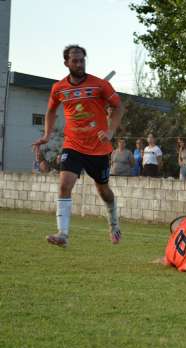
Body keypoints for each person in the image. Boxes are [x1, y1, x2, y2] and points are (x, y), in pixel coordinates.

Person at [32, 44, 122, 247]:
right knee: (64, 185)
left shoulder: (99, 85)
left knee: (103, 191)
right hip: (73, 144)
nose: (79, 64)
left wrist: (110, 131)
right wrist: (46, 135)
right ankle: (62, 234)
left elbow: (118, 107)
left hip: (98, 148)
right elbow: (51, 112)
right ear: (66, 63)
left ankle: (114, 223)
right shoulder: (59, 88)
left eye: (82, 60)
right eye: (75, 61)